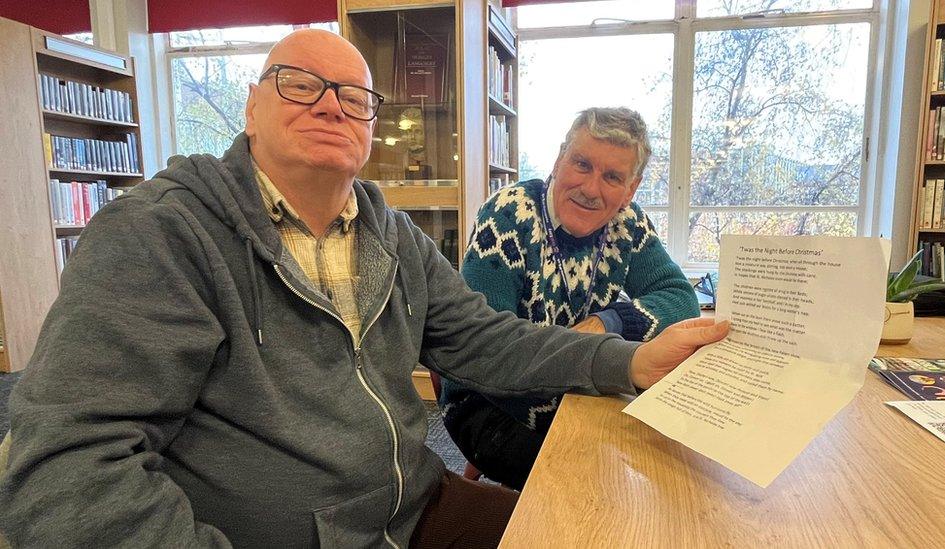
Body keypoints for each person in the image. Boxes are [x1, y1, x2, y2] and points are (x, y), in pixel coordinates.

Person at [0, 31, 727, 548]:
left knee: (599, 533)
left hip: (410, 506)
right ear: (251, 107)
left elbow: (483, 338)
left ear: (372, 129)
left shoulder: (391, 233)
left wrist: (629, 362)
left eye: (353, 95)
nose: (329, 104)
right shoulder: (160, 235)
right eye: (298, 84)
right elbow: (63, 471)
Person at [439, 107, 699, 490]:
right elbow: (487, 357)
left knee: (674, 456)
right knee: (601, 476)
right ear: (560, 159)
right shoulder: (507, 215)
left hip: (584, 387)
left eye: (612, 177)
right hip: (489, 403)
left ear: (631, 189)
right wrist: (589, 405)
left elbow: (680, 299)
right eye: (582, 164)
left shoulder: (628, 224)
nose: (591, 189)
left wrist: (610, 321)